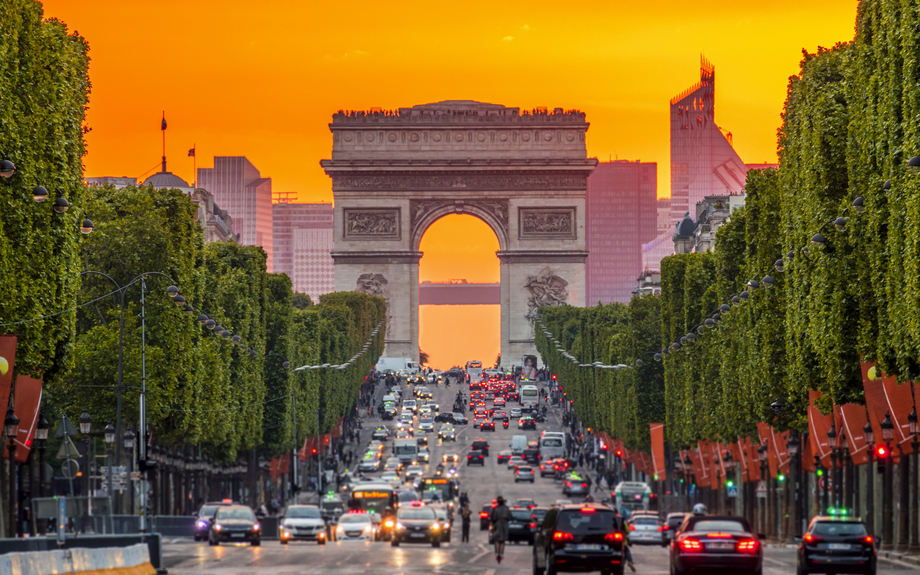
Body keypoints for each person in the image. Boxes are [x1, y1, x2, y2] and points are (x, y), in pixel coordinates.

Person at [490, 496, 512, 562]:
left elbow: (494, 518)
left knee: (497, 540)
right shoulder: (506, 509)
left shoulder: (496, 509)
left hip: (498, 525)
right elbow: (510, 517)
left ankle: (497, 554)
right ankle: (502, 554)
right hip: (504, 525)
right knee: (503, 541)